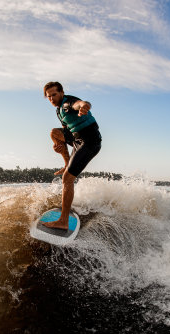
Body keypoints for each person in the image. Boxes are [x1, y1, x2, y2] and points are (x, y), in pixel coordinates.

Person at [42, 81, 102, 230]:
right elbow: (65, 130)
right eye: (48, 97)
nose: (51, 99)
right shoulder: (58, 110)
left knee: (67, 179)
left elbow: (79, 103)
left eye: (54, 95)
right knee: (54, 133)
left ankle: (63, 221)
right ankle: (66, 163)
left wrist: (84, 106)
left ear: (62, 93)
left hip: (90, 141)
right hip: (77, 139)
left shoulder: (68, 103)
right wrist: (58, 144)